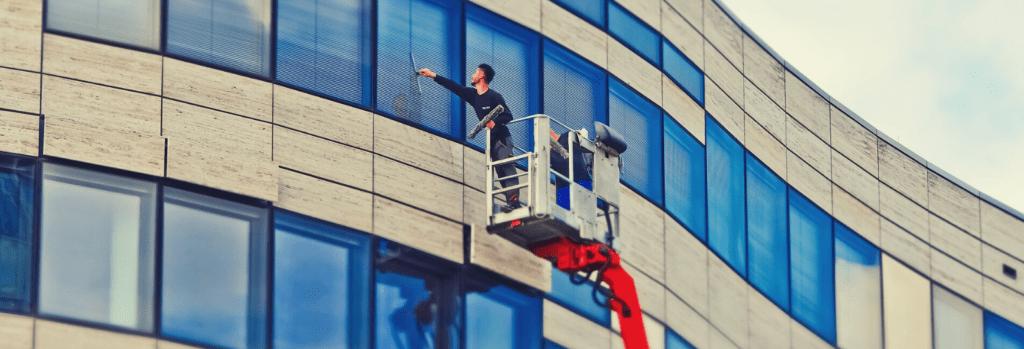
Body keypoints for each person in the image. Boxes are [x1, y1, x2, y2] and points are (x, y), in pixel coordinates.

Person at [418, 64, 521, 210]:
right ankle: (512, 204)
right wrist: (433, 75)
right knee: (500, 173)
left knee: (507, 168)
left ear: (481, 76)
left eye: (475, 72)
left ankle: (514, 203)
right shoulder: (473, 95)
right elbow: (455, 87)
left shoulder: (494, 96)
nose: (472, 75)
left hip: (502, 139)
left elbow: (508, 115)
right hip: (491, 142)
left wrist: (494, 122)